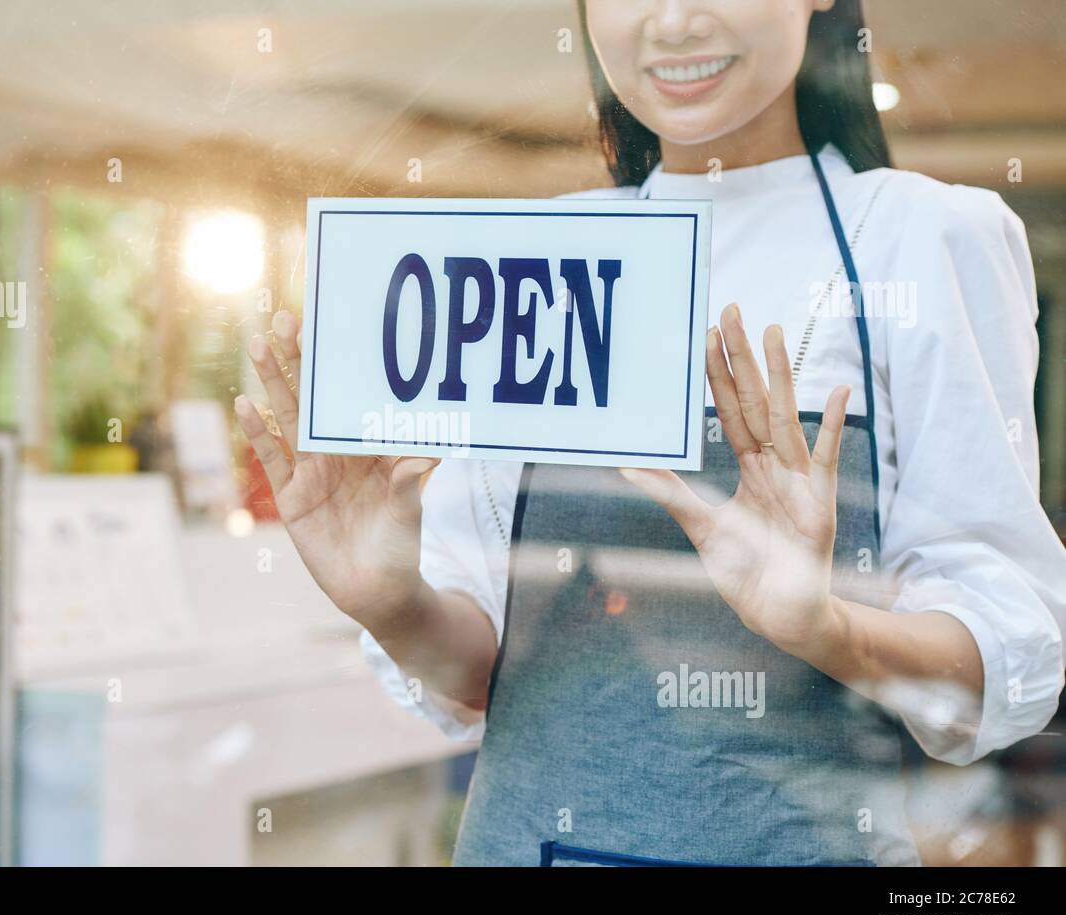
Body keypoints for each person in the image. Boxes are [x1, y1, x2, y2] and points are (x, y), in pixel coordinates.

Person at [234, 0, 1066, 866]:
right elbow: (486, 678)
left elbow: (1006, 655)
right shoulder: (535, 257)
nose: (672, 23)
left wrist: (826, 629)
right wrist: (391, 602)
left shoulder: (921, 238)